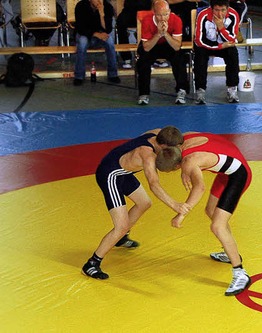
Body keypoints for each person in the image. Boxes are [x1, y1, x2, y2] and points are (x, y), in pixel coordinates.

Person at [82, 126, 191, 280]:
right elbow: (154, 184)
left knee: (144, 203)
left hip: (123, 171)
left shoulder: (157, 133)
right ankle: (92, 263)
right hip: (110, 175)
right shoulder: (147, 156)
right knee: (121, 226)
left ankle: (120, 238)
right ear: (164, 146)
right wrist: (175, 205)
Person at [164, 131, 252, 296]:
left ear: (177, 165)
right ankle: (229, 252)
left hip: (239, 175)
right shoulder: (184, 139)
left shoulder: (189, 162)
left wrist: (181, 214)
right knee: (211, 211)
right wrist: (186, 170)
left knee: (218, 226)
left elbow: (199, 188)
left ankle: (240, 273)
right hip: (228, 169)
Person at [136, 0, 189, 105]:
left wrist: (165, 34)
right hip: (152, 44)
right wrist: (159, 34)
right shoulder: (147, 20)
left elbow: (177, 46)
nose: (163, 18)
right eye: (159, 15)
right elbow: (146, 47)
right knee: (143, 60)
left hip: (169, 44)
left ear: (169, 11)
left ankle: (181, 90)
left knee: (180, 57)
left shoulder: (176, 20)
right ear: (154, 13)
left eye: (165, 14)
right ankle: (144, 93)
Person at [193, 0, 241, 104]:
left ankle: (232, 89)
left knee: (233, 54)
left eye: (223, 10)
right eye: (216, 10)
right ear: (211, 8)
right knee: (199, 57)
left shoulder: (233, 15)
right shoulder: (203, 15)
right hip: (206, 45)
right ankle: (200, 90)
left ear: (227, 8)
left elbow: (232, 39)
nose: (220, 14)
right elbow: (199, 40)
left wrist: (221, 27)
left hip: (225, 45)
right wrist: (218, 46)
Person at [73, 0, 121, 86]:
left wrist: (102, 14)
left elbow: (108, 29)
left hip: (100, 36)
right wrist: (95, 34)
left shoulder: (107, 7)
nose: (99, 1)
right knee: (82, 42)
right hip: (85, 34)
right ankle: (79, 76)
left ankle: (113, 74)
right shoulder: (81, 6)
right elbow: (80, 28)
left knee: (110, 41)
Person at [116, 0, 152, 69]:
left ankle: (152, 56)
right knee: (120, 21)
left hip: (146, 10)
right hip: (130, 10)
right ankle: (126, 57)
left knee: (153, 21)